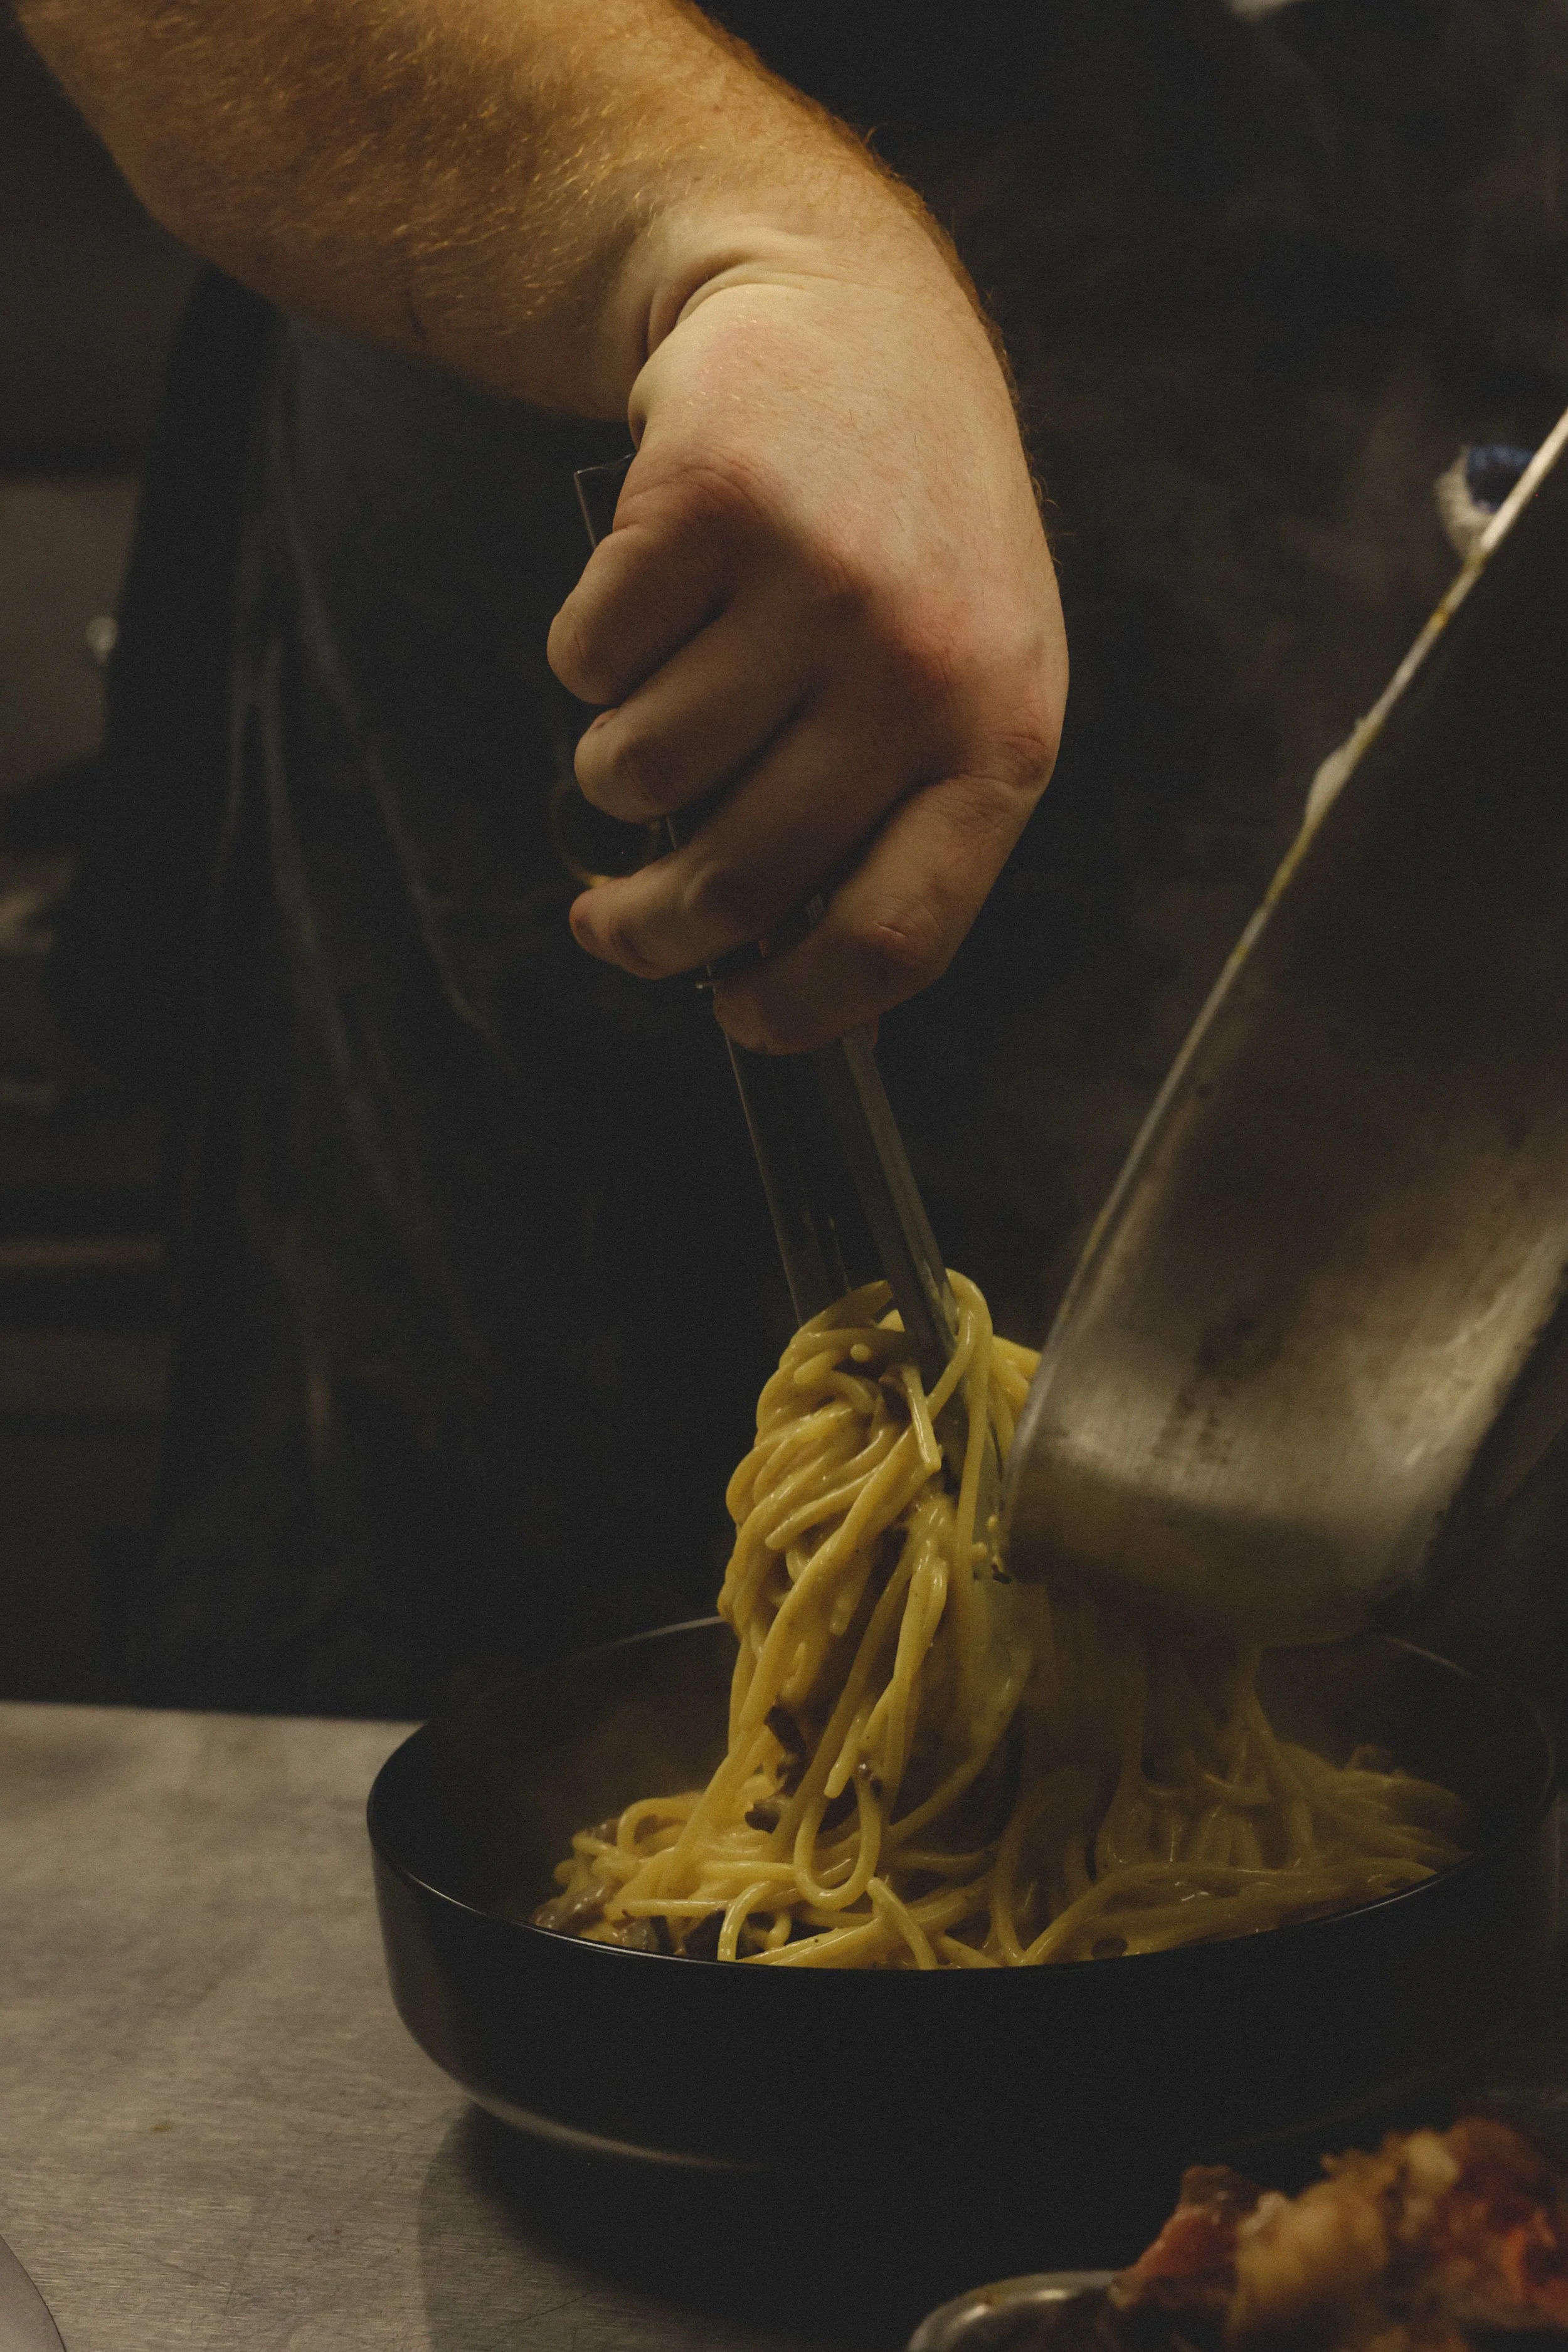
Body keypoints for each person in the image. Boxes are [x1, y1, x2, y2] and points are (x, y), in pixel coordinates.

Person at [16, 0, 1568, 1720]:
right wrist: (732, 250)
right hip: (596, 577)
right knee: (529, 1778)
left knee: (1391, 1784)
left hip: (1426, 723)